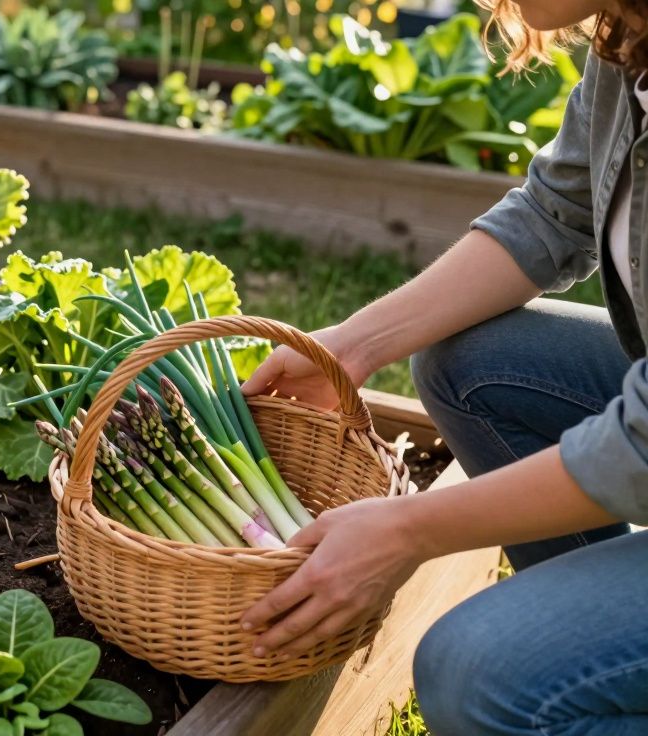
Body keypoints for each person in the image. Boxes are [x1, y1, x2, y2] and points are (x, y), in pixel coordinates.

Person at [234, 1, 648, 733]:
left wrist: (409, 529)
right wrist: (351, 347)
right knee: (474, 363)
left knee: (475, 675)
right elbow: (555, 212)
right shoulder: (629, 36)